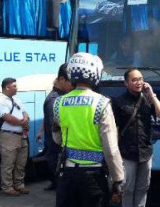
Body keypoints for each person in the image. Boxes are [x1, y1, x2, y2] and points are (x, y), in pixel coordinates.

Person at [52, 52, 125, 207]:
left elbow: (57, 138)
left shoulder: (59, 103)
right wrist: (118, 179)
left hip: (68, 175)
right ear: (95, 74)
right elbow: (111, 149)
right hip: (94, 177)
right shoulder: (102, 103)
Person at [113, 68, 160, 207]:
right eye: (134, 80)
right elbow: (116, 130)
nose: (139, 82)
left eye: (141, 79)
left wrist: (151, 94)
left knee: (143, 188)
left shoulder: (148, 99)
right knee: (128, 188)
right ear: (126, 83)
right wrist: (115, 153)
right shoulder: (119, 102)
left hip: (145, 151)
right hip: (127, 153)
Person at [36, 63, 73, 191]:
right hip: (54, 142)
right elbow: (53, 123)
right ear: (60, 81)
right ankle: (57, 184)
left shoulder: (57, 97)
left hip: (52, 141)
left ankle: (55, 183)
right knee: (54, 163)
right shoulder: (54, 99)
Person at [0, 77, 30, 196]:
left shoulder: (16, 98)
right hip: (9, 136)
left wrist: (25, 118)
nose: (17, 88)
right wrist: (22, 122)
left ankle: (19, 185)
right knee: (8, 164)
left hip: (21, 136)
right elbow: (6, 117)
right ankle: (7, 187)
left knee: (21, 163)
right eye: (14, 86)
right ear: (7, 87)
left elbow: (24, 111)